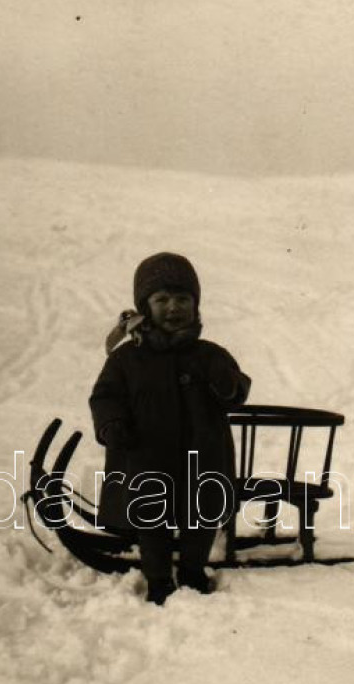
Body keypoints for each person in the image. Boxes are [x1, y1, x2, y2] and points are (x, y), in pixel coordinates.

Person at [89, 252, 251, 605]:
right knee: (151, 516)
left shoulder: (210, 354)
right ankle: (158, 578)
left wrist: (226, 382)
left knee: (201, 515)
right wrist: (111, 424)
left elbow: (237, 392)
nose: (173, 308)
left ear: (195, 305)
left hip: (203, 456)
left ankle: (193, 570)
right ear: (144, 307)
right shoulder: (127, 358)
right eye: (161, 300)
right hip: (146, 454)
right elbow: (105, 396)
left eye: (182, 299)